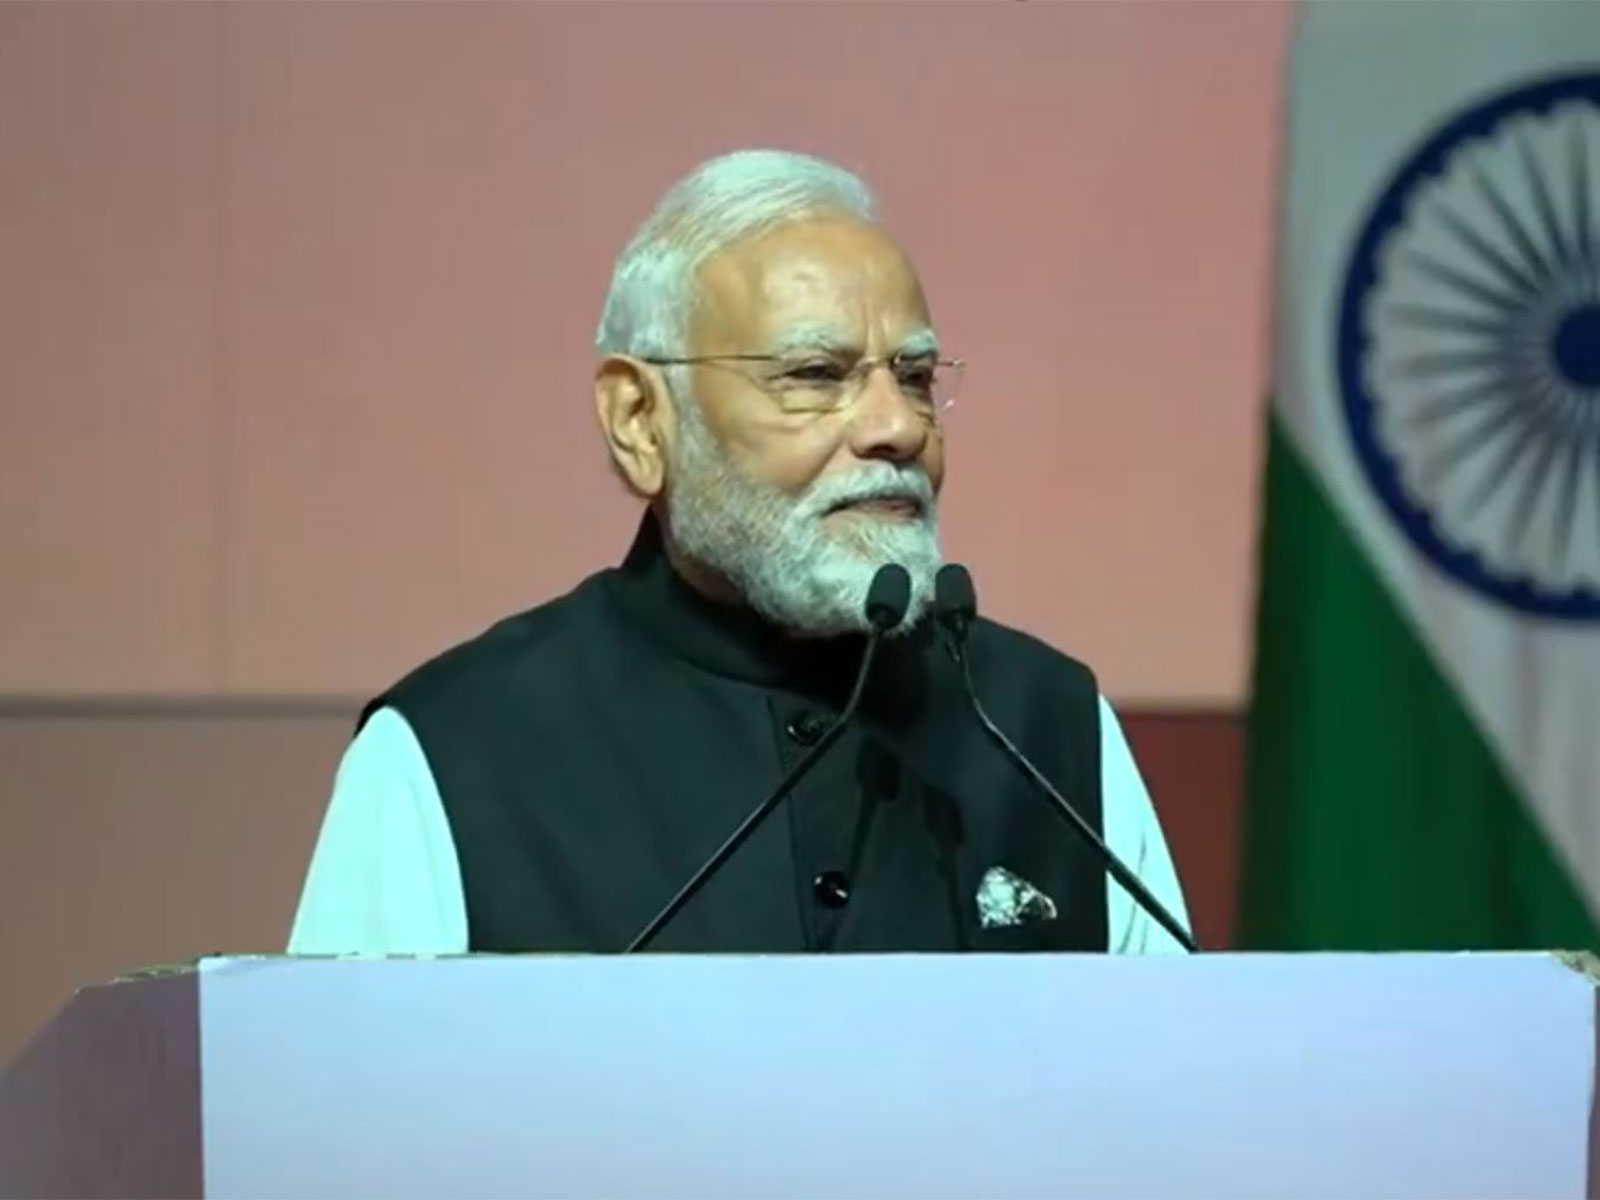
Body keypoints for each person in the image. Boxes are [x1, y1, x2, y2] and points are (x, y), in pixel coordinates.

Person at [288, 148, 1190, 956]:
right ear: (641, 421)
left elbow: (1180, 1108)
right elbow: (336, 1128)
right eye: (813, 375)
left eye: (914, 377)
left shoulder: (1050, 732)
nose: (895, 427)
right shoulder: (452, 756)